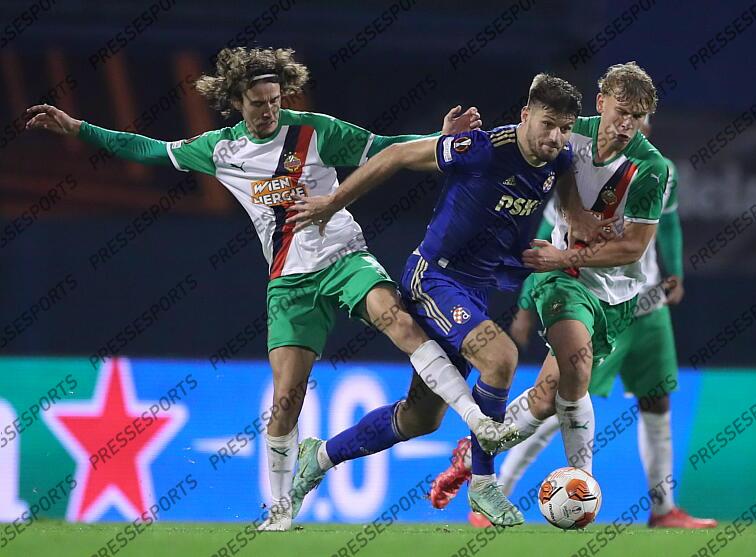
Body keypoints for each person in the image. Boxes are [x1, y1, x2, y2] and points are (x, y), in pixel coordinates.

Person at [25, 46, 516, 532]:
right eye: (259, 102)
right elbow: (149, 149)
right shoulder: (219, 149)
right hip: (289, 282)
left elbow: (386, 148)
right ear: (237, 100)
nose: (269, 111)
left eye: (276, 100)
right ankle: (280, 510)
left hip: (344, 258)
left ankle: (477, 420)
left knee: (402, 323)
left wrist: (440, 137)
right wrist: (79, 129)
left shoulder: (314, 131)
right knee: (287, 398)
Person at [286, 73, 602, 526]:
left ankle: (318, 458)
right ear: (525, 115)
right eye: (548, 123)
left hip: (473, 292)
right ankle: (485, 486)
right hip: (434, 277)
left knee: (420, 419)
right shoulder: (482, 148)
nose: (555, 137)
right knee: (501, 358)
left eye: (565, 128)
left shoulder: (561, 159)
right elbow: (395, 154)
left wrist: (582, 237)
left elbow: (574, 213)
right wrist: (332, 202)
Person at [443, 115, 717, 529]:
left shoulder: (661, 171)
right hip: (594, 301)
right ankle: (496, 488)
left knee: (656, 399)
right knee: (554, 400)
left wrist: (675, 271)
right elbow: (547, 232)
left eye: (641, 116)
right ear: (604, 110)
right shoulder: (580, 164)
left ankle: (664, 509)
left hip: (647, 305)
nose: (632, 125)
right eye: (624, 114)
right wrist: (524, 304)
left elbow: (670, 223)